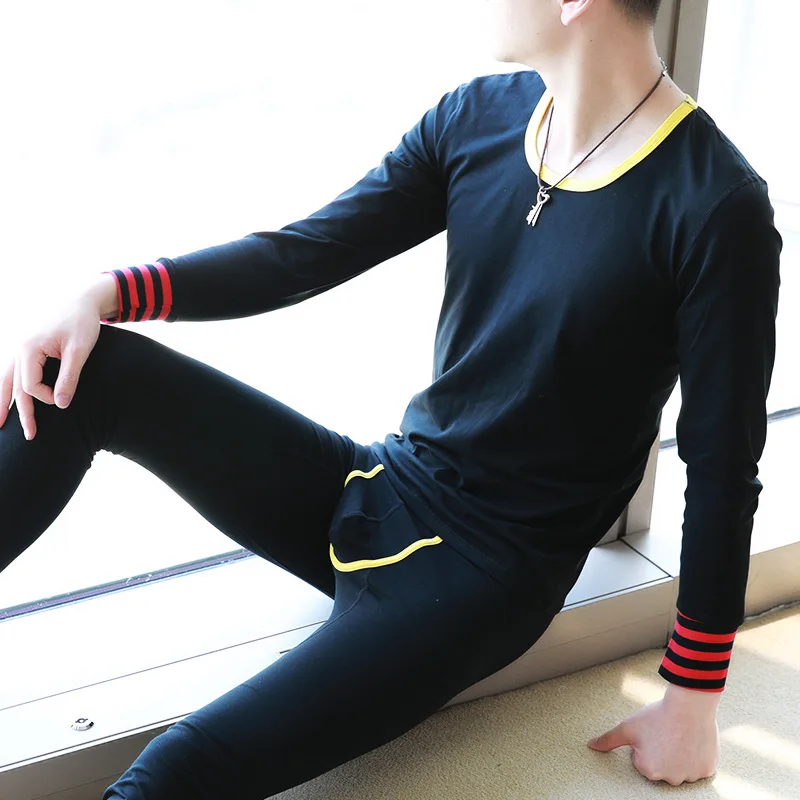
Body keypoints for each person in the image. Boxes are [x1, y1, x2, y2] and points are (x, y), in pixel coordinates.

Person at [0, 0, 782, 795]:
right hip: (384, 486)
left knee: (175, 769)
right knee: (90, 371)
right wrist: (105, 293)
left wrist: (692, 697)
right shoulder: (479, 117)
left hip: (483, 582)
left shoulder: (716, 208)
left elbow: (723, 468)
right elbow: (303, 254)